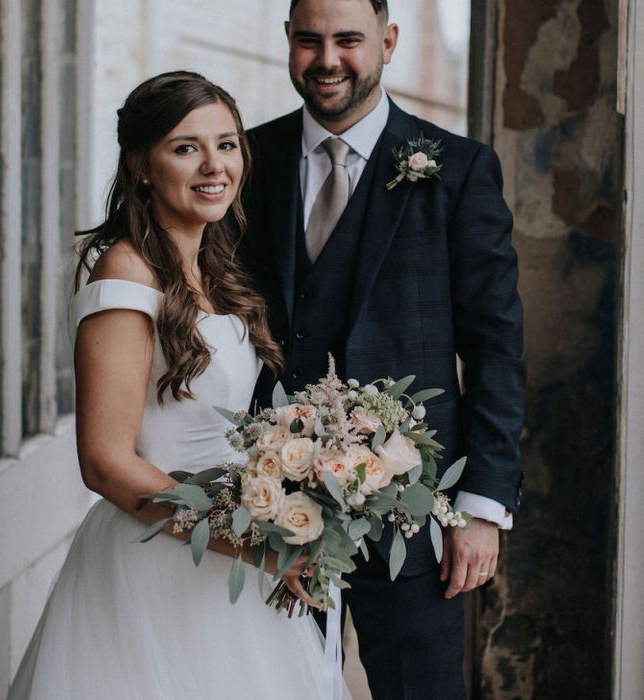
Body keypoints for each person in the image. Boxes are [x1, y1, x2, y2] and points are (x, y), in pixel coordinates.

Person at [8, 71, 350, 700]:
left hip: (229, 555)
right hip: (161, 560)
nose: (213, 165)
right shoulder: (125, 273)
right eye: (185, 147)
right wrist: (254, 543)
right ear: (141, 165)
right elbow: (106, 463)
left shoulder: (212, 267)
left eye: (227, 143)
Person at [242, 1, 526, 698]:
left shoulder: (458, 170)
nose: (328, 59)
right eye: (309, 41)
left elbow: (495, 345)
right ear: (288, 42)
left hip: (415, 509)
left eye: (348, 40)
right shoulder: (248, 160)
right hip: (271, 505)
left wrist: (482, 506)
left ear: (389, 42)